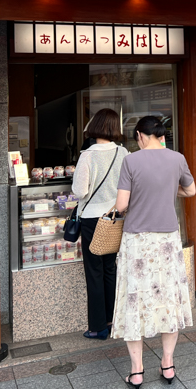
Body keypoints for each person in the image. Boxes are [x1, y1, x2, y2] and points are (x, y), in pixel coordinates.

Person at [112, 116, 196, 388]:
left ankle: (137, 371)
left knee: (134, 300)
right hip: (168, 240)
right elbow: (191, 190)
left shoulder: (131, 161)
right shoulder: (177, 158)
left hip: (137, 241)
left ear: (139, 135)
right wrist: (170, 191)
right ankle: (168, 365)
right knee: (168, 299)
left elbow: (122, 205)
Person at [72, 108, 129, 339]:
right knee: (110, 269)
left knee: (94, 271)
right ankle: (113, 319)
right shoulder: (123, 152)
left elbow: (79, 190)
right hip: (115, 217)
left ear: (94, 126)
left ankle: (98, 327)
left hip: (92, 220)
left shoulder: (88, 155)